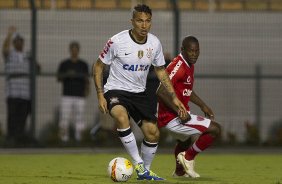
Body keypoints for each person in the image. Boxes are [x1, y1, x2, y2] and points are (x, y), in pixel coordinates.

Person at [92, 4, 187, 181]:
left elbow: (160, 71)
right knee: (122, 117)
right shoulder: (117, 41)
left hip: (139, 93)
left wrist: (174, 98)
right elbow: (98, 66)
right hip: (116, 90)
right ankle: (139, 165)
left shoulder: (154, 43)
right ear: (132, 21)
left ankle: (145, 173)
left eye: (147, 21)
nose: (144, 25)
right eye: (140, 21)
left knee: (153, 133)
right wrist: (99, 94)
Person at [157, 36, 221, 178]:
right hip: (171, 117)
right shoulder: (178, 66)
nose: (194, 54)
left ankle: (179, 173)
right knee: (215, 129)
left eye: (197, 51)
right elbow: (161, 91)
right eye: (191, 51)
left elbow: (186, 91)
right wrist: (178, 110)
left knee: (184, 141)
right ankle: (188, 158)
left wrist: (203, 105)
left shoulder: (188, 64)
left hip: (176, 116)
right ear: (182, 50)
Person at [2, 26, 33, 146]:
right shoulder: (10, 55)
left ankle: (20, 139)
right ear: (14, 43)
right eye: (17, 41)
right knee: (12, 116)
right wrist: (9, 35)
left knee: (23, 116)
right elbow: (4, 49)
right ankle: (11, 138)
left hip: (25, 92)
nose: (19, 43)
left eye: (21, 41)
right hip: (13, 92)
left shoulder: (27, 56)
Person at [57, 41, 89, 142]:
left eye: (76, 50)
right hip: (67, 95)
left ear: (78, 51)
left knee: (80, 118)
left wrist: (87, 91)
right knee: (64, 117)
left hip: (80, 95)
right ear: (70, 50)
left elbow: (86, 80)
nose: (74, 51)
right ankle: (64, 139)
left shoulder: (83, 64)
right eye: (73, 49)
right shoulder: (64, 64)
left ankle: (79, 138)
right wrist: (67, 74)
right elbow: (59, 78)